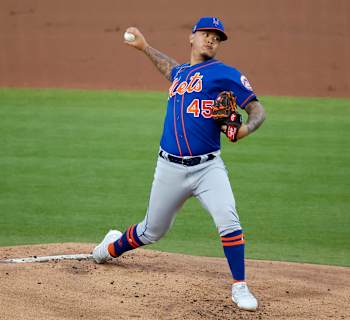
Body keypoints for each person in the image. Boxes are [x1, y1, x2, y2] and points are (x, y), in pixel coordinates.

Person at [92, 16, 266, 312]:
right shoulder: (182, 73)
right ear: (192, 37)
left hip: (208, 168)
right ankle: (108, 248)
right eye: (207, 34)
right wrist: (145, 47)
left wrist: (245, 130)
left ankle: (240, 286)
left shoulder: (226, 74)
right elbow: (169, 68)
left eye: (218, 37)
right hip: (169, 168)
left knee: (228, 220)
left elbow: (257, 110)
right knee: (151, 231)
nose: (212, 39)